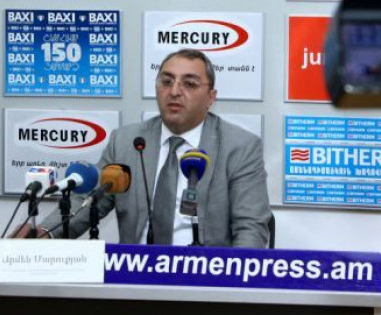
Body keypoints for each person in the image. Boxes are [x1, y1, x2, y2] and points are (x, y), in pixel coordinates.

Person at [17, 48, 271, 248]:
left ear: (211, 98)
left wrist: (232, 283)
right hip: (135, 276)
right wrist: (44, 234)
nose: (174, 91)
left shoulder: (240, 147)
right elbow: (88, 202)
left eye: (190, 84)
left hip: (206, 279)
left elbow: (250, 227)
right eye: (166, 81)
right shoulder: (127, 141)